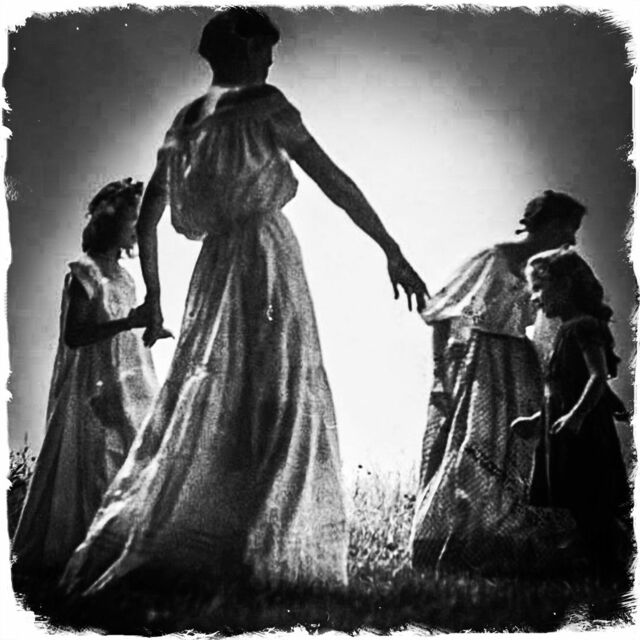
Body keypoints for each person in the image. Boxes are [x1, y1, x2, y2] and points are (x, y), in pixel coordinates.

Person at [61, 8, 427, 596]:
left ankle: (225, 543)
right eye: (265, 50)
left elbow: (149, 218)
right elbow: (334, 181)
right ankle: (263, 547)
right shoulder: (263, 104)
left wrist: (155, 296)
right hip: (264, 257)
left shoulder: (184, 122)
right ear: (245, 47)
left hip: (213, 270)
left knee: (216, 388)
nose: (271, 62)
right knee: (273, 384)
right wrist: (392, 248)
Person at [410, 190, 586, 574]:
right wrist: (445, 371)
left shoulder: (546, 272)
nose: (571, 240)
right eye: (568, 229)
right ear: (550, 225)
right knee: (473, 447)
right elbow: (448, 311)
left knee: (515, 453)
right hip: (483, 363)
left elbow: (548, 326)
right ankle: (450, 543)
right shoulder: (495, 259)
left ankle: (496, 547)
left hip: (519, 365)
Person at [11, 178, 159, 576]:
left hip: (128, 377)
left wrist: (145, 328)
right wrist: (127, 322)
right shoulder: (84, 272)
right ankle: (87, 555)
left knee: (135, 451)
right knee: (98, 457)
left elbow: (126, 326)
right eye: (131, 220)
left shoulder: (126, 278)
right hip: (92, 383)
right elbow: (74, 335)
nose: (136, 229)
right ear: (111, 222)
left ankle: (124, 553)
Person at [512, 248, 633, 583]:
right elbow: (560, 390)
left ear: (565, 284)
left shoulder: (582, 327)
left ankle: (611, 569)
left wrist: (578, 416)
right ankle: (599, 565)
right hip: (565, 431)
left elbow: (597, 376)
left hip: (583, 433)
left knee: (592, 501)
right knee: (581, 504)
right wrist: (537, 420)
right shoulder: (565, 331)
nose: (534, 297)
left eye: (540, 287)